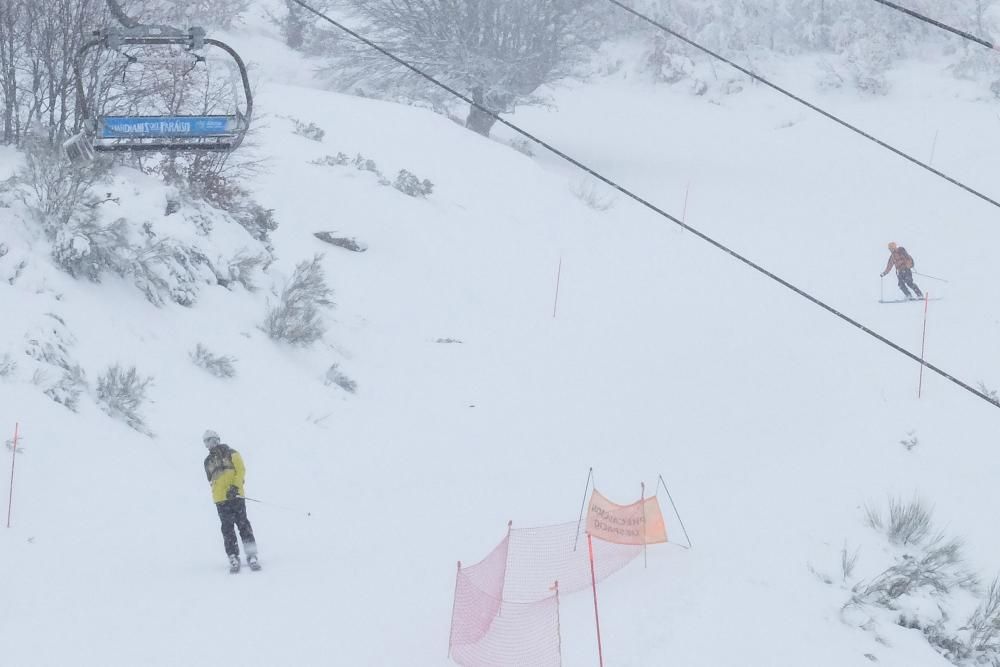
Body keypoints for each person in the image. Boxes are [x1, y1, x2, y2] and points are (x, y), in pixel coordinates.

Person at [203, 430, 260, 572]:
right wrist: (217, 494)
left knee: (243, 524)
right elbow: (211, 479)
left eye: (209, 440)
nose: (207, 444)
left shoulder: (232, 452)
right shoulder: (207, 461)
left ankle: (252, 555)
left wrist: (235, 487)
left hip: (235, 496)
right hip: (221, 499)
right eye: (205, 442)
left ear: (216, 439)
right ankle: (233, 556)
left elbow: (240, 471)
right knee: (227, 529)